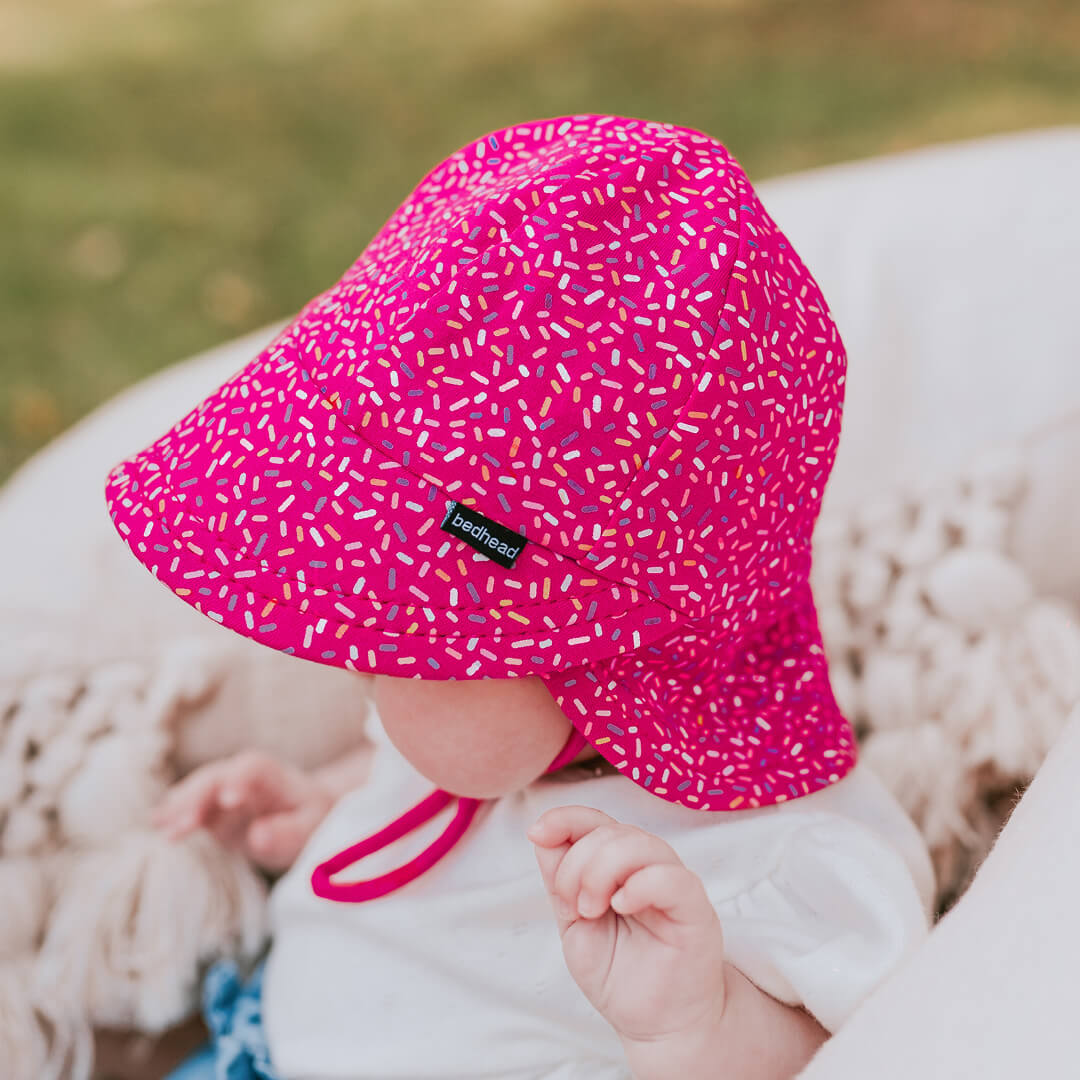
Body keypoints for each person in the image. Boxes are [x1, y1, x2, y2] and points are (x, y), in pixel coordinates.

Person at [104, 113, 936, 1080]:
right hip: (254, 1040)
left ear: (600, 667)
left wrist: (695, 1028)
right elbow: (445, 788)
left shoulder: (778, 864)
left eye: (396, 640)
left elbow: (855, 1053)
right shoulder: (500, 730)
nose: (350, 660)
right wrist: (324, 803)